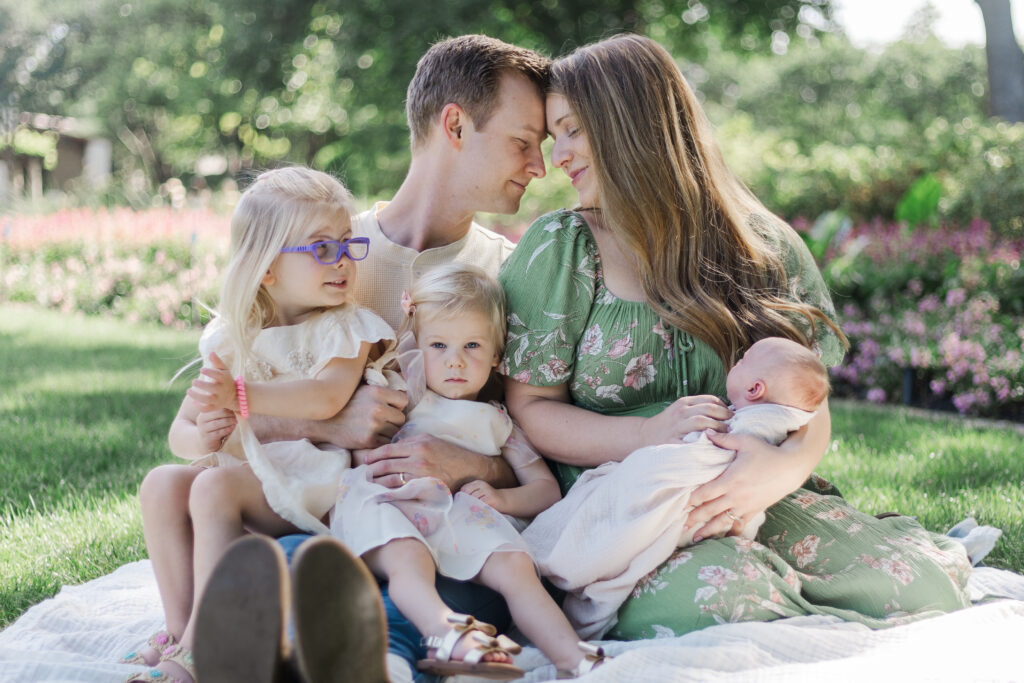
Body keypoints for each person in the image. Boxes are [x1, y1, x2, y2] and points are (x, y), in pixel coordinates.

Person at [499, 33, 972, 643]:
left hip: (754, 493)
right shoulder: (561, 249)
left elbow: (806, 395)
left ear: (631, 125)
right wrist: (643, 435)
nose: (558, 155)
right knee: (727, 603)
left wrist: (784, 470)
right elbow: (529, 408)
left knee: (915, 588)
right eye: (550, 136)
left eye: (572, 130)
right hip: (631, 511)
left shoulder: (760, 244)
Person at [186, 35, 551, 683]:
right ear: (456, 125)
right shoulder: (323, 250)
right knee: (306, 557)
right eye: (524, 141)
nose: (540, 165)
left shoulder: (508, 275)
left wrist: (469, 462)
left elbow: (529, 439)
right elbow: (218, 410)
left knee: (456, 579)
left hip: (438, 529)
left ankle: (357, 654)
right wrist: (326, 421)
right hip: (321, 518)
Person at [123, 167, 395, 683]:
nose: (342, 261)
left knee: (215, 486)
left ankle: (208, 648)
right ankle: (179, 632)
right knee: (161, 482)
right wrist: (202, 434)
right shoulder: (232, 337)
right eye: (321, 250)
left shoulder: (347, 327)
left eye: (346, 244)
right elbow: (180, 430)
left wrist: (242, 397)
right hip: (250, 481)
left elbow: (324, 398)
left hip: (313, 488)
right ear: (267, 269)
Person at [332, 264, 607, 679]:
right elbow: (357, 444)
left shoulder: (498, 420)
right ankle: (443, 633)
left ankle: (572, 656)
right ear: (415, 347)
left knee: (516, 566)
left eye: (473, 345)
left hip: (460, 516)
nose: (455, 361)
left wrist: (502, 498)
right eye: (438, 345)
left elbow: (545, 490)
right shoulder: (402, 397)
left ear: (497, 355)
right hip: (392, 505)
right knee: (410, 561)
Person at [523, 336, 833, 639]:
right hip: (616, 467)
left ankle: (576, 568)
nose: (736, 361)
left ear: (754, 389)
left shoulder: (752, 424)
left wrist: (786, 464)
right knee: (726, 601)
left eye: (742, 360)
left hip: (728, 501)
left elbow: (808, 405)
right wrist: (647, 434)